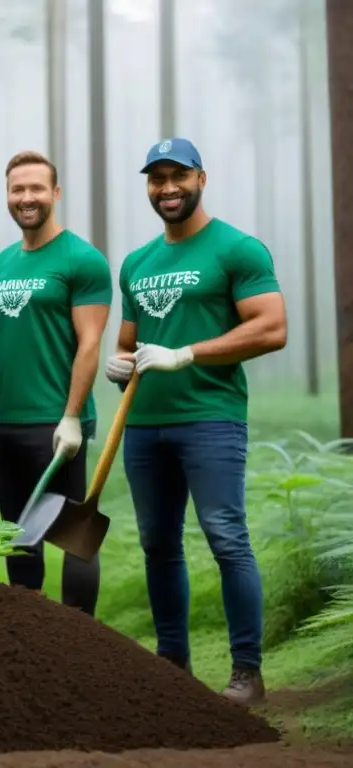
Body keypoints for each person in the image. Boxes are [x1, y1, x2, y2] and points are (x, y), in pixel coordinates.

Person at [105, 138, 287, 706]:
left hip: (210, 418)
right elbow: (130, 344)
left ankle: (247, 674)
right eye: (156, 178)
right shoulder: (136, 262)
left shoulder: (236, 249)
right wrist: (120, 365)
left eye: (177, 175)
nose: (167, 188)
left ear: (201, 179)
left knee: (226, 539)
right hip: (144, 424)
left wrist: (187, 354)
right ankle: (172, 666)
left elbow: (270, 328)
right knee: (159, 545)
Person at [0, 151, 112, 616]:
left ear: (55, 193)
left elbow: (90, 344)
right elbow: (2, 340)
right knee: (18, 536)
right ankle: (30, 643)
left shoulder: (82, 259)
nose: (26, 198)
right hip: (5, 424)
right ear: (8, 195)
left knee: (72, 536)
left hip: (57, 426)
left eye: (36, 188)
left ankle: (79, 645)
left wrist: (72, 415)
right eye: (17, 189)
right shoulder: (0, 263)